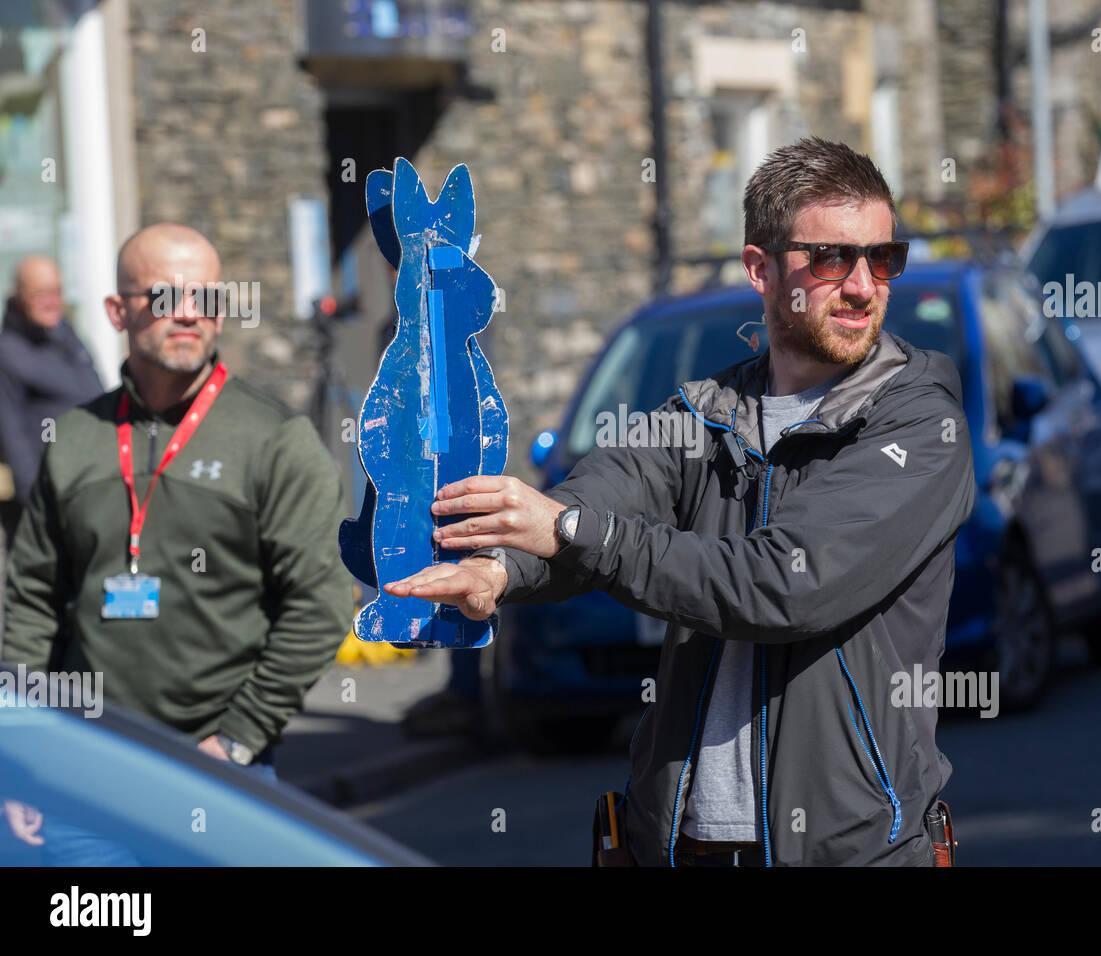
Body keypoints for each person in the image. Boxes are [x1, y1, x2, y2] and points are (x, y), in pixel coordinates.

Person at [382, 137, 977, 866]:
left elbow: (786, 585)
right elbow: (602, 494)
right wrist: (500, 570)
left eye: (882, 258)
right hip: (678, 847)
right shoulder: (709, 410)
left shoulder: (920, 421)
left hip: (847, 852)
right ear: (760, 269)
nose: (862, 285)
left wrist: (568, 528)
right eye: (829, 258)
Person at [3, 222, 353, 786]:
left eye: (207, 297)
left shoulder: (273, 438)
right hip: (83, 766)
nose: (189, 312)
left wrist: (240, 736)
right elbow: (33, 603)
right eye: (165, 295)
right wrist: (25, 758)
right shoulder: (72, 438)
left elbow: (324, 600)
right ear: (118, 311)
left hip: (218, 770)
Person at [0, 256, 103, 636]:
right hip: (44, 499)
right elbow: (11, 435)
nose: (51, 301)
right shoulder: (8, 353)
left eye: (56, 292)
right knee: (40, 603)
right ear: (18, 297)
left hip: (91, 486)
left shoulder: (67, 337)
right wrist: (35, 504)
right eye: (40, 293)